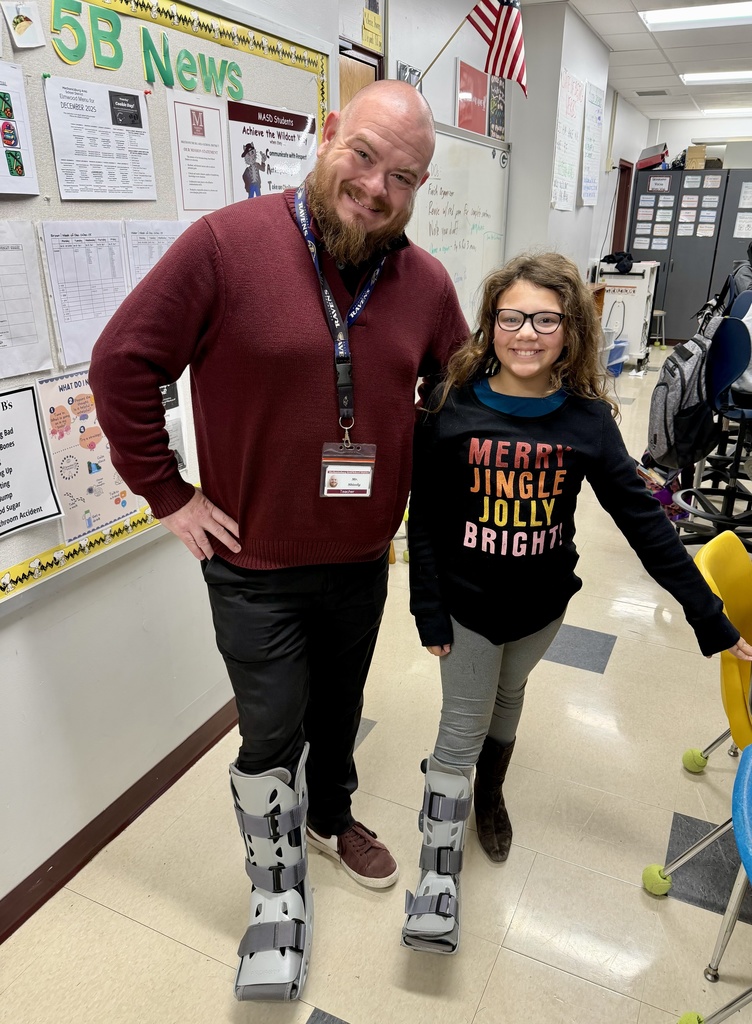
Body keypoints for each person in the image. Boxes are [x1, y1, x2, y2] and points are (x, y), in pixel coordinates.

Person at [88, 80, 468, 1000]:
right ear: (330, 134)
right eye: (366, 155)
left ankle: (332, 819)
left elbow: (456, 394)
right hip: (252, 565)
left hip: (360, 558)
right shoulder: (227, 245)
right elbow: (122, 363)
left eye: (404, 176)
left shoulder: (423, 284)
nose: (378, 187)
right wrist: (168, 495)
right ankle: (275, 891)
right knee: (272, 727)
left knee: (341, 706)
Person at [400, 251, 752, 956]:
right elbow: (427, 521)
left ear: (570, 331)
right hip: (465, 609)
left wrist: (709, 619)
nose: (526, 333)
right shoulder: (447, 407)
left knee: (509, 697)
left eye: (546, 319)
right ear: (490, 323)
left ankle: (490, 798)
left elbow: (645, 524)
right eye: (511, 317)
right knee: (460, 729)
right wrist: (426, 609)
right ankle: (436, 874)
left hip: (541, 608)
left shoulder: (585, 420)